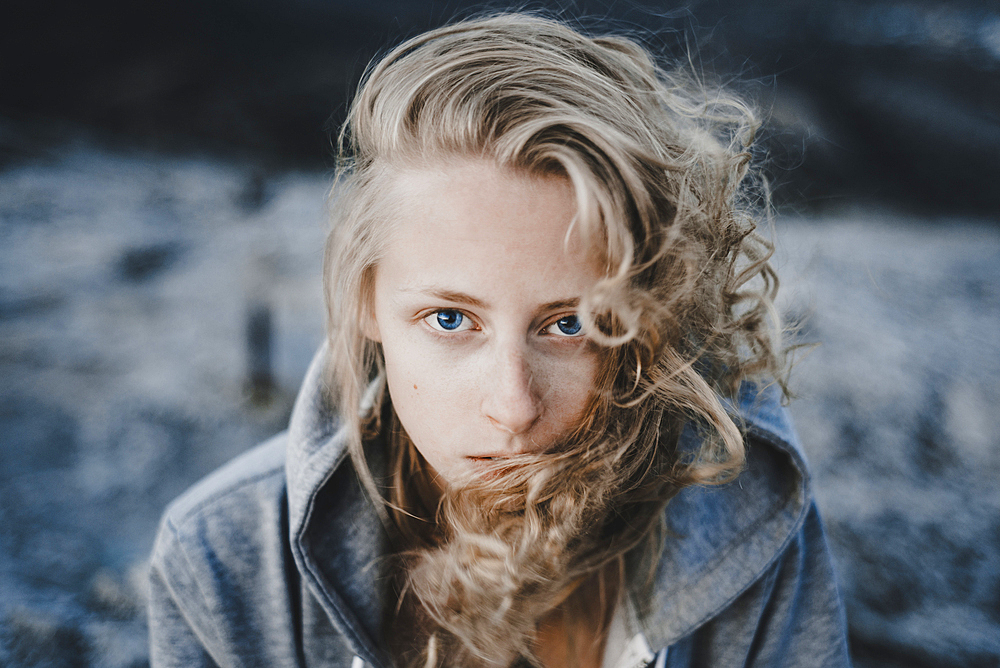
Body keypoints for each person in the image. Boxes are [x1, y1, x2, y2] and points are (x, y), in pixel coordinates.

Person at [148, 13, 851, 668]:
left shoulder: (749, 521)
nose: (513, 408)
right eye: (451, 320)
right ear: (366, 303)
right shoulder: (222, 563)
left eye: (572, 324)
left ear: (653, 313)